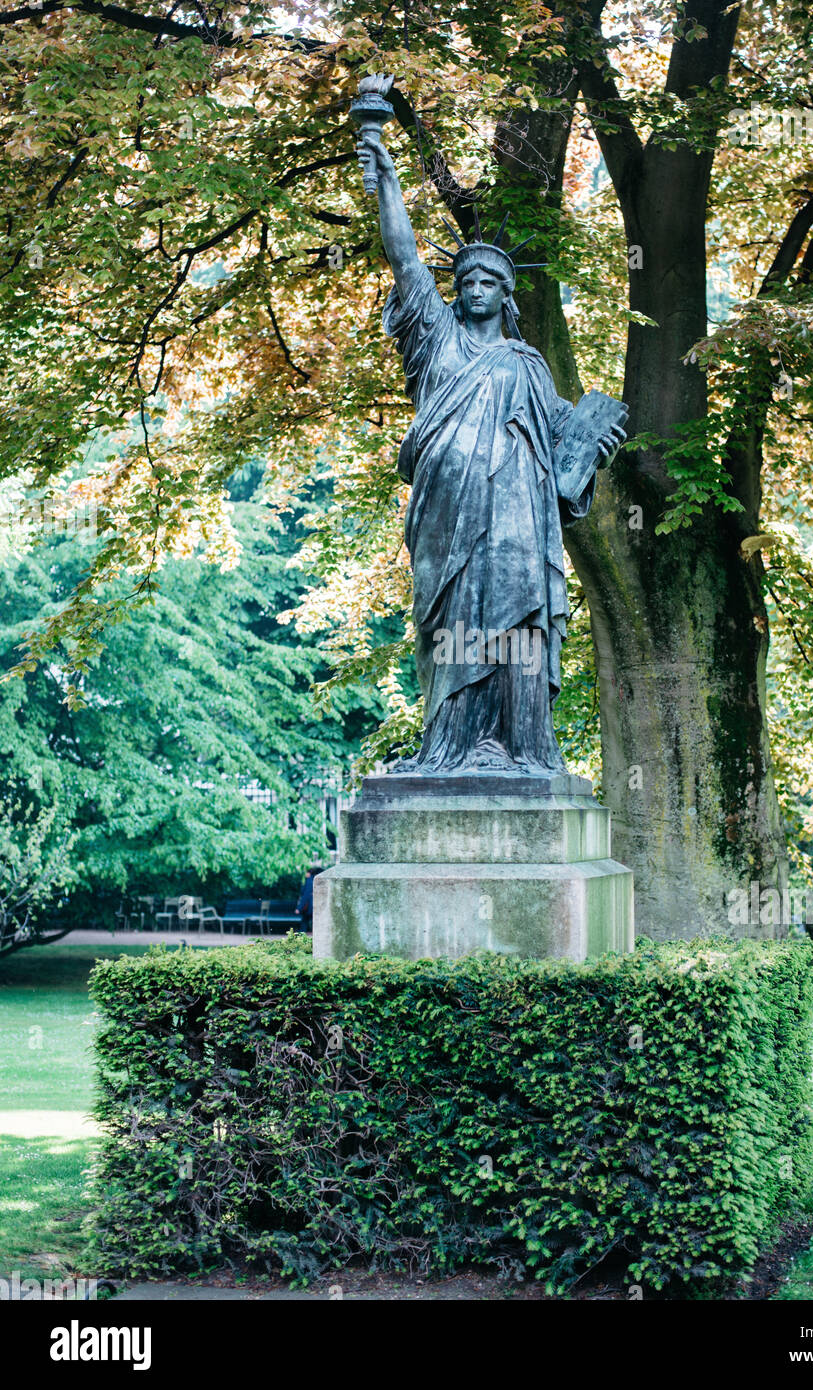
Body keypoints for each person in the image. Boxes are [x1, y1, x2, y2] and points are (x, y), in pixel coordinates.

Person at [355, 125, 625, 775]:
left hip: (516, 519)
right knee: (446, 623)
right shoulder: (435, 341)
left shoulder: (529, 365)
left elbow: (569, 436)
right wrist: (383, 167)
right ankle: (446, 748)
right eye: (468, 279)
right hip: (446, 513)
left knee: (517, 621)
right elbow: (405, 259)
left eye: (489, 282)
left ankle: (519, 745)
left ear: (506, 295)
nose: (475, 287)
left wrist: (599, 439)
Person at [296, 865, 322, 933]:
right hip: (315, 905)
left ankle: (302, 936)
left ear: (308, 873)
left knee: (304, 921)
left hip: (309, 906)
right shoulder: (315, 881)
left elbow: (305, 896)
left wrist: (299, 908)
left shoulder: (309, 881)